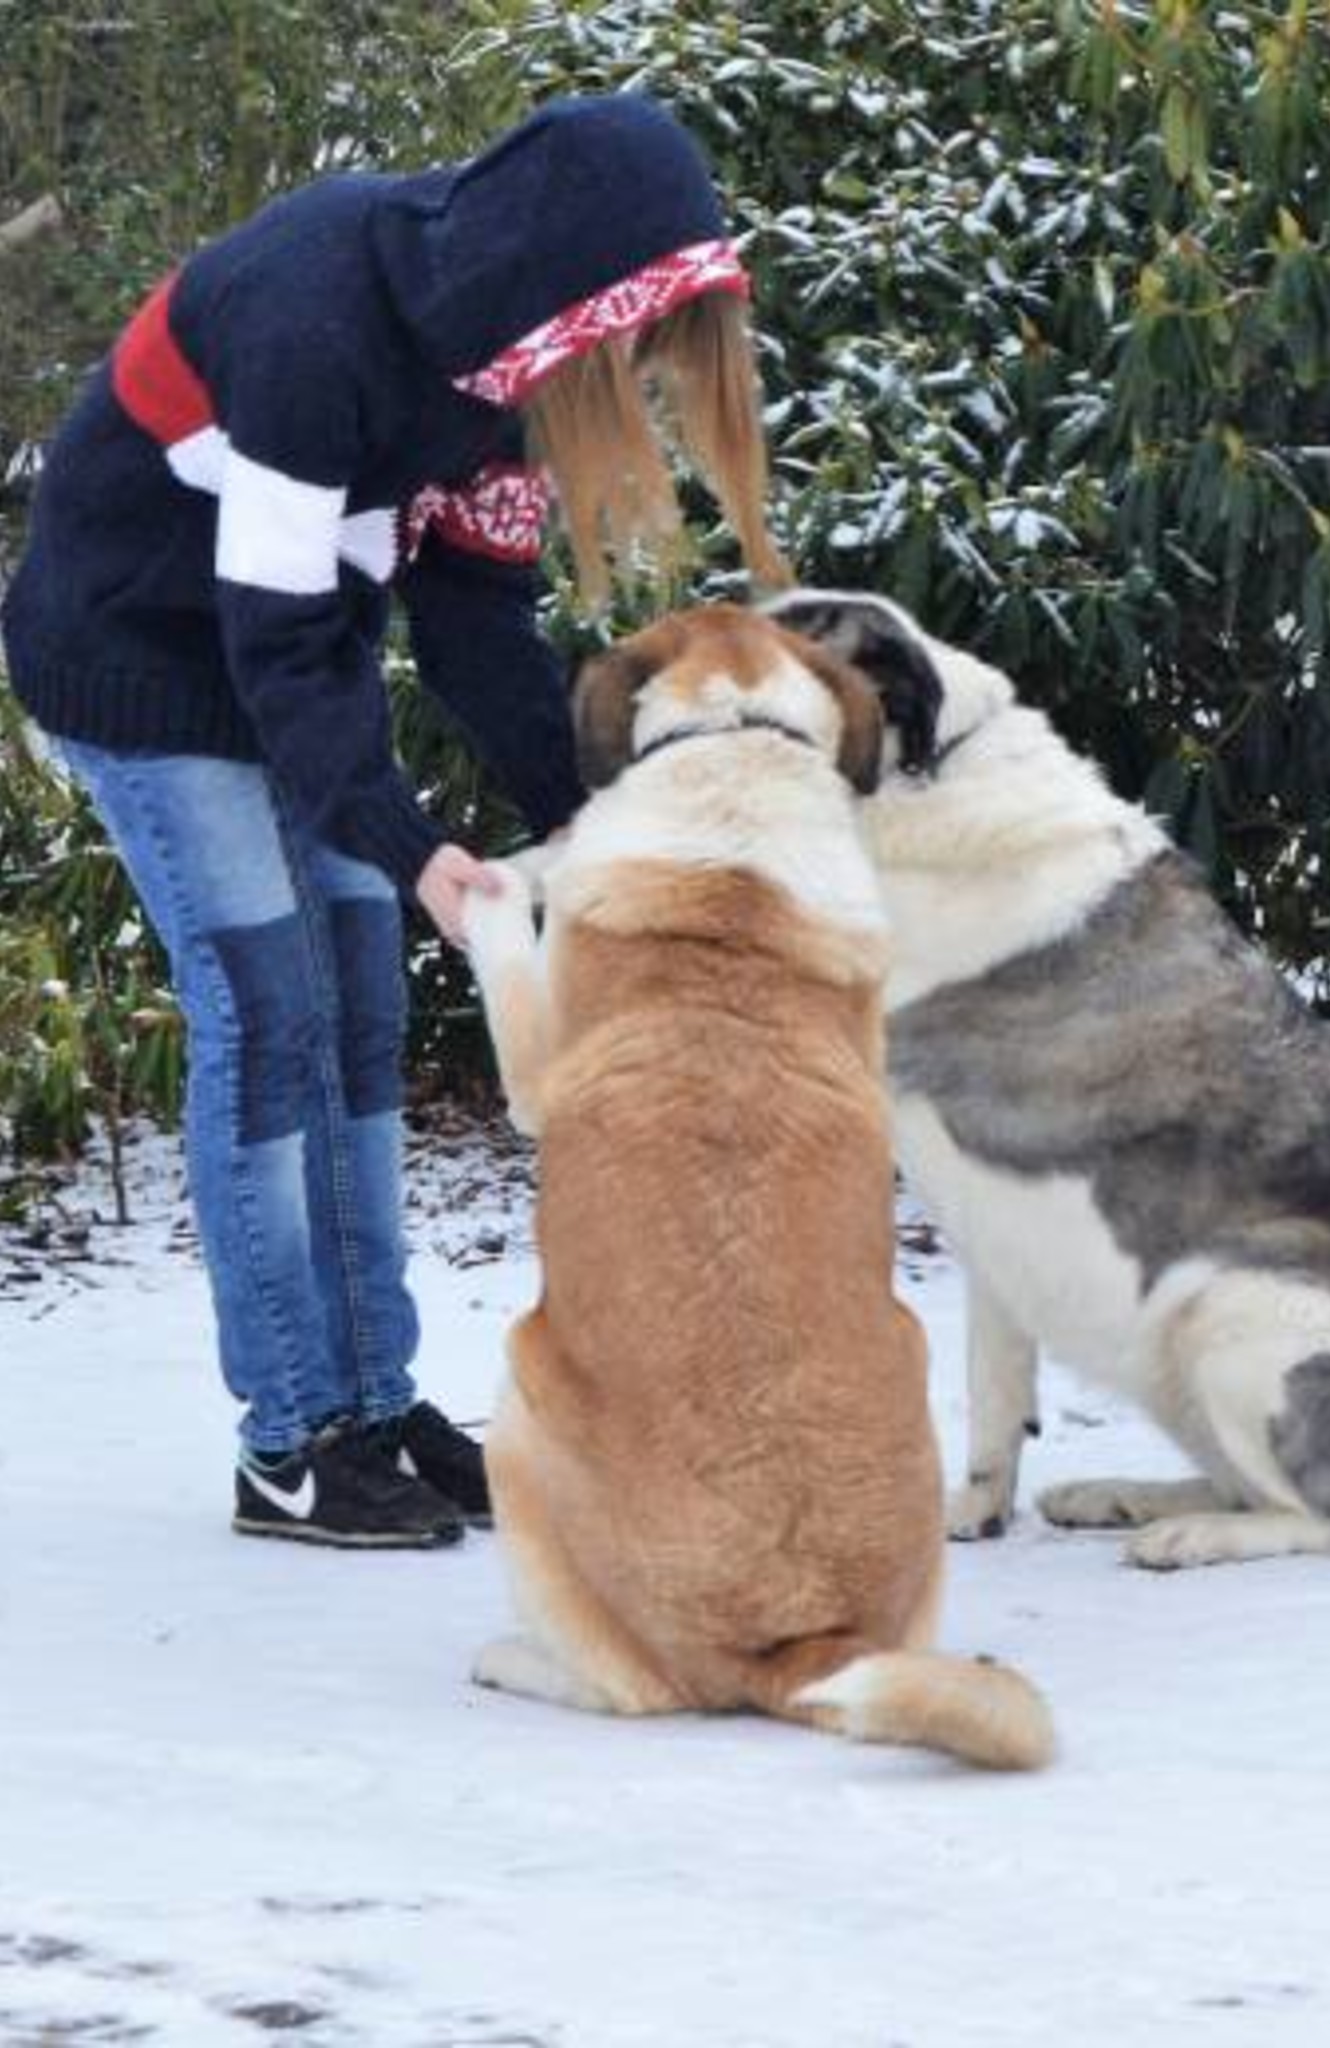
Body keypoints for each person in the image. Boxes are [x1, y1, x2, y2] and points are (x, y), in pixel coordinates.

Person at [1, 93, 786, 1548]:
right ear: (570, 280)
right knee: (269, 1014)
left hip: (279, 660)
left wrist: (595, 815)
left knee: (360, 1007)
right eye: (635, 347)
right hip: (139, 663)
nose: (634, 382)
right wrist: (415, 846)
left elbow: (476, 618)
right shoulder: (318, 323)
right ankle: (289, 1438)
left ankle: (375, 1402)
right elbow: (281, 649)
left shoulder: (500, 374)